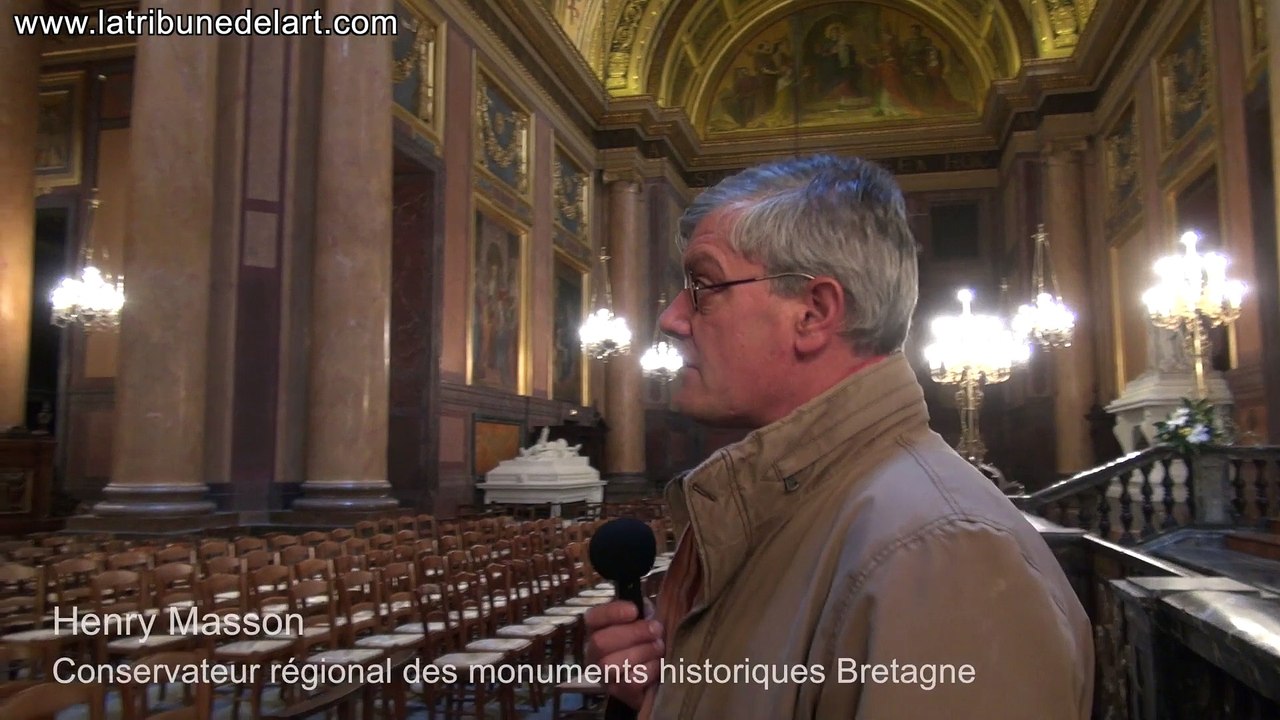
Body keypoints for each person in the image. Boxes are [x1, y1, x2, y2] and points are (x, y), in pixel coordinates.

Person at [584, 155, 1093, 718]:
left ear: (813, 313)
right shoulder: (797, 504)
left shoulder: (942, 552)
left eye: (704, 285)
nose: (673, 318)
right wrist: (663, 702)